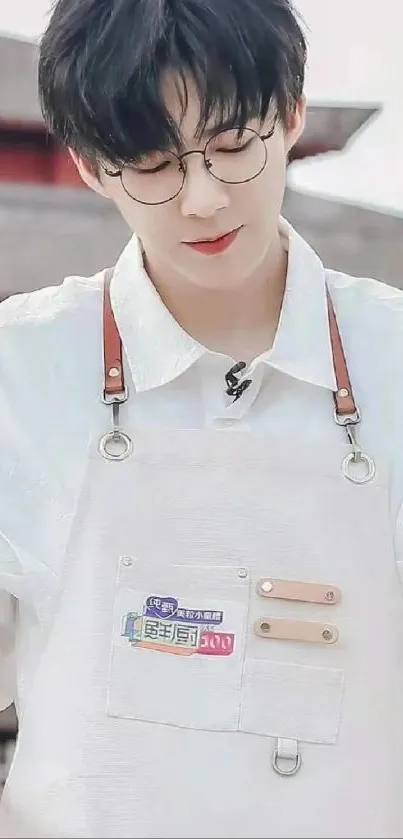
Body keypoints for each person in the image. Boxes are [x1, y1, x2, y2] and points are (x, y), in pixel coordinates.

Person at [1, 0, 403, 836]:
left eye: (231, 147)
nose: (201, 199)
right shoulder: (19, 370)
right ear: (87, 165)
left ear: (291, 114)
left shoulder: (391, 355)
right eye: (150, 164)